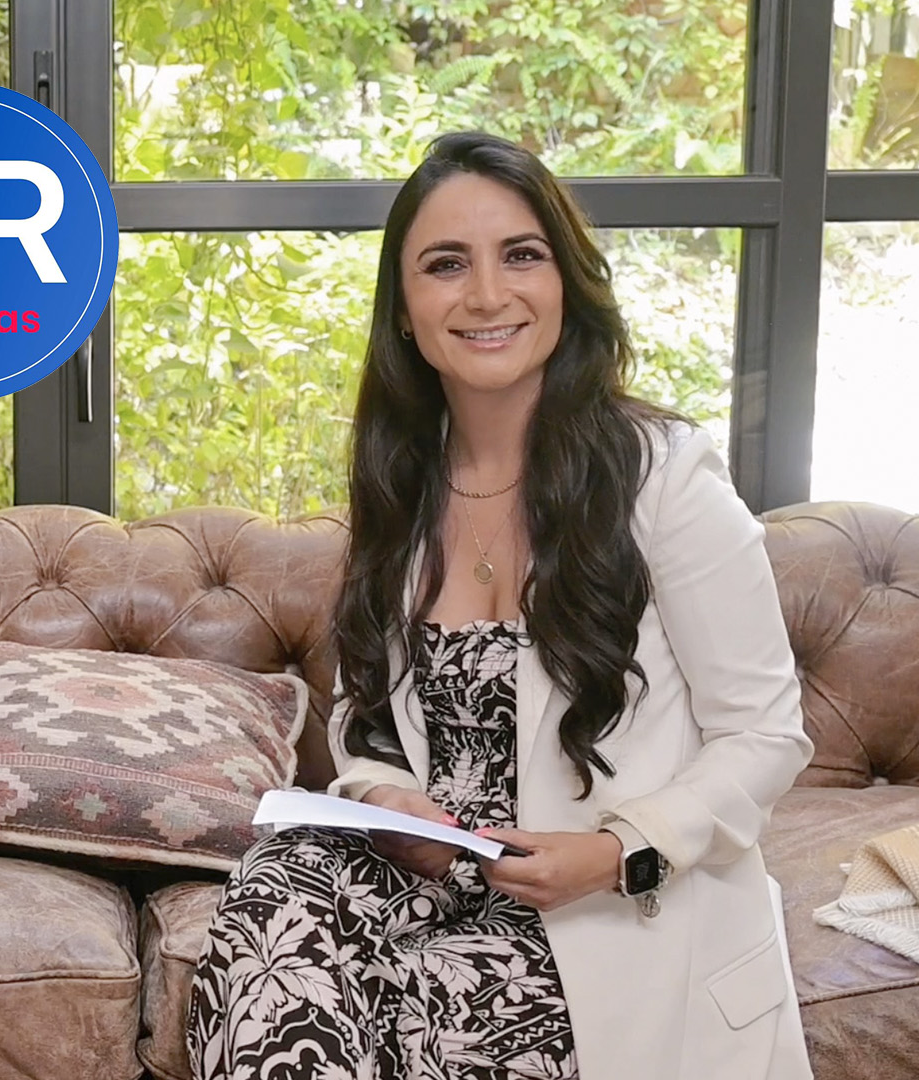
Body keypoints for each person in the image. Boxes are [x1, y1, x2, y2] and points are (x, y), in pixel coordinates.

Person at [186, 132, 814, 1080]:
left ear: (566, 283)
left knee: (422, 1025)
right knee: (275, 899)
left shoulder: (665, 477)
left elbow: (764, 735)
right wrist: (384, 798)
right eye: (446, 265)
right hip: (434, 890)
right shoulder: (400, 485)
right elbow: (367, 725)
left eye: (521, 255)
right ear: (405, 312)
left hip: (607, 911)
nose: (486, 295)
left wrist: (616, 851)